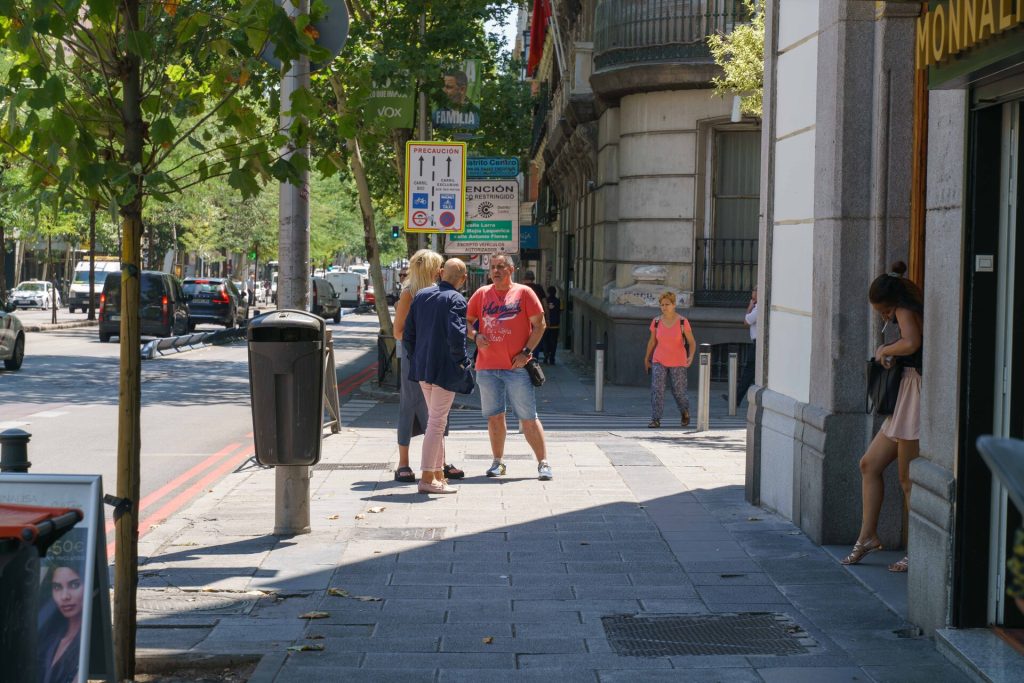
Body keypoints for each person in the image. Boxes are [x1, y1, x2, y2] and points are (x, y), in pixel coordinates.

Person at [841, 261, 923, 573]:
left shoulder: (903, 308)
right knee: (869, 464)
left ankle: (919, 549)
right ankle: (868, 536)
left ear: (891, 304)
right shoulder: (906, 305)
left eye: (882, 312)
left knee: (907, 480)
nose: (885, 317)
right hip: (905, 393)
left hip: (914, 394)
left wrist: (884, 349)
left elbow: (913, 342)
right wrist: (890, 351)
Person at [466, 252, 552, 480]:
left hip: (517, 368)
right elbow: (466, 321)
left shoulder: (524, 293)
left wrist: (526, 353)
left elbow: (540, 325)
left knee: (527, 417)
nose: (496, 271)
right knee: (495, 417)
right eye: (493, 267)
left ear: (511, 270)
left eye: (501, 267)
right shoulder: (482, 294)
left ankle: (543, 463)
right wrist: (475, 336)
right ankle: (498, 462)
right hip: (487, 367)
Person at [392, 250, 463, 484]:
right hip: (415, 356)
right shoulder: (410, 293)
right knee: (411, 405)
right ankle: (405, 463)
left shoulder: (434, 293)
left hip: (431, 356)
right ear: (433, 269)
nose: (442, 270)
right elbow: (398, 332)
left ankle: (438, 464)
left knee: (438, 413)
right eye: (439, 266)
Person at [405, 259, 474, 494]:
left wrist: (416, 357)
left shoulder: (422, 295)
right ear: (463, 279)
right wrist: (462, 361)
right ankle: (426, 478)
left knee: (437, 420)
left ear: (441, 273)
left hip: (423, 366)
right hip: (444, 368)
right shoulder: (456, 299)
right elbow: (457, 336)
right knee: (436, 423)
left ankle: (437, 474)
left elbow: (408, 334)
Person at [644, 291, 696, 428]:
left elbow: (692, 342)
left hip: (678, 360)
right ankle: (655, 418)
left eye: (667, 304)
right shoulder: (656, 322)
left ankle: (684, 411)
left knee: (678, 391)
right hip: (659, 359)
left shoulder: (683, 322)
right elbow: (651, 342)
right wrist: (646, 358)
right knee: (657, 389)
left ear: (674, 305)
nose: (664, 307)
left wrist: (691, 356)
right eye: (662, 305)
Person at [37, 555, 85, 683]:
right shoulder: (48, 637)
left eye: (74, 585)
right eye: (57, 587)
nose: (65, 596)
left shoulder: (86, 642)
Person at [724, 287, 758, 404]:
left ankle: (736, 399)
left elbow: (746, 321)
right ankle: (736, 398)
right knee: (749, 373)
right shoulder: (757, 308)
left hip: (757, 344)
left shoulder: (757, 309)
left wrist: (749, 306)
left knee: (748, 373)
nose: (752, 293)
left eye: (754, 291)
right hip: (756, 343)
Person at [522, 271, 547, 359]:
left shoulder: (522, 288)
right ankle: (534, 356)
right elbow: (544, 302)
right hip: (536, 316)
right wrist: (547, 316)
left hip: (524, 318)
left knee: (524, 336)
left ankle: (524, 354)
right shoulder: (538, 288)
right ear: (533, 278)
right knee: (537, 335)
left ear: (524, 278)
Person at [542, 286, 561, 365]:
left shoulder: (545, 301)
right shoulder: (558, 301)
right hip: (555, 325)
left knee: (546, 341)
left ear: (548, 292)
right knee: (554, 342)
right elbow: (561, 310)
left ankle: (546, 356)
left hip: (546, 325)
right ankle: (552, 358)